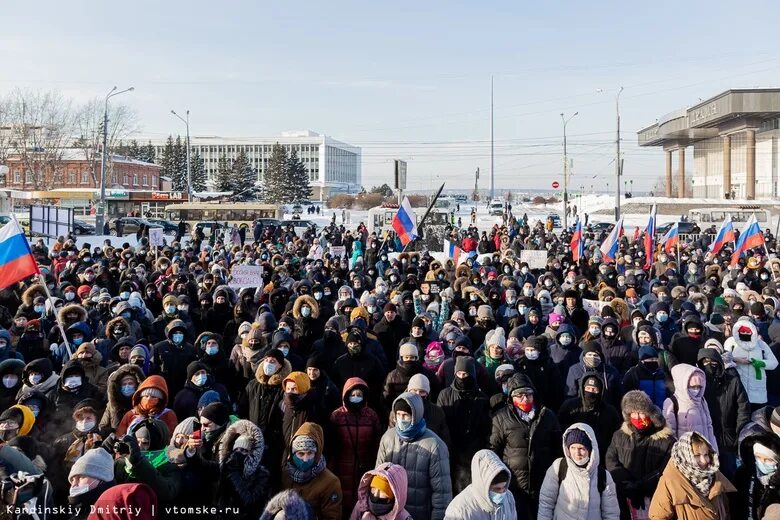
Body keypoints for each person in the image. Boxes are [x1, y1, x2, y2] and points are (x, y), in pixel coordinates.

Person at [490, 373, 561, 519]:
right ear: (511, 398)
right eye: (519, 395)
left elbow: (557, 449)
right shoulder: (501, 418)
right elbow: (493, 449)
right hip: (513, 484)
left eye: (528, 394)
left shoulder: (547, 416)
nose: (525, 399)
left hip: (543, 483)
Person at [376, 392, 452, 520]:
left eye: (405, 415)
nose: (401, 419)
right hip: (390, 513)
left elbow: (442, 494)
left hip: (420, 514)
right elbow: (378, 479)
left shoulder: (435, 446)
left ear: (415, 416)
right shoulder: (388, 438)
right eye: (398, 415)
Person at [606, 390, 675, 520]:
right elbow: (611, 460)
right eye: (633, 413)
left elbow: (666, 470)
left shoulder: (666, 440)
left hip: (655, 498)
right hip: (624, 498)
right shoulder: (619, 435)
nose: (637, 417)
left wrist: (641, 486)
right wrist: (627, 484)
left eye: (641, 412)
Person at [538, 423, 620, 520]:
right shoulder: (559, 467)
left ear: (590, 450)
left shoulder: (603, 476)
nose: (577, 453)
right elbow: (546, 504)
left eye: (581, 448)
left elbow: (611, 514)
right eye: (573, 448)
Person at [649, 432, 736, 520]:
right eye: (697, 455)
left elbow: (726, 511)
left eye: (706, 455)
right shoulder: (670, 481)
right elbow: (658, 516)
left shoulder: (715, 476)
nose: (704, 461)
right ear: (684, 456)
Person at [329, 377, 382, 514]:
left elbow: (377, 443)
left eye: (359, 395)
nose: (356, 397)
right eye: (353, 395)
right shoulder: (337, 415)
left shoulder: (371, 415)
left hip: (365, 467)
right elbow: (332, 446)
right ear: (346, 395)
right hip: (341, 468)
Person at [281, 422, 343, 520]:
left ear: (317, 454)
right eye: (301, 454)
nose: (305, 459)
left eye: (310, 453)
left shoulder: (330, 482)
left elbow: (332, 516)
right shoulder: (285, 475)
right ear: (293, 454)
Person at [444, 449, 516, 520]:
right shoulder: (459, 510)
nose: (501, 493)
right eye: (497, 489)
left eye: (504, 487)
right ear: (484, 486)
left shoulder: (508, 498)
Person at [724, 318, 779, 410]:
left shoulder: (761, 344)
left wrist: (761, 363)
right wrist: (736, 359)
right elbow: (723, 359)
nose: (745, 334)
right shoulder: (731, 342)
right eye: (742, 331)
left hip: (757, 389)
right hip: (738, 385)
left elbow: (774, 363)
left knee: (757, 417)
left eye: (748, 331)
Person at [663, 363, 718, 452]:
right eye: (692, 387)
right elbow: (670, 433)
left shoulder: (702, 400)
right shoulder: (672, 402)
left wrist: (714, 450)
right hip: (686, 453)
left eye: (699, 387)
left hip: (704, 453)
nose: (696, 390)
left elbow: (709, 426)